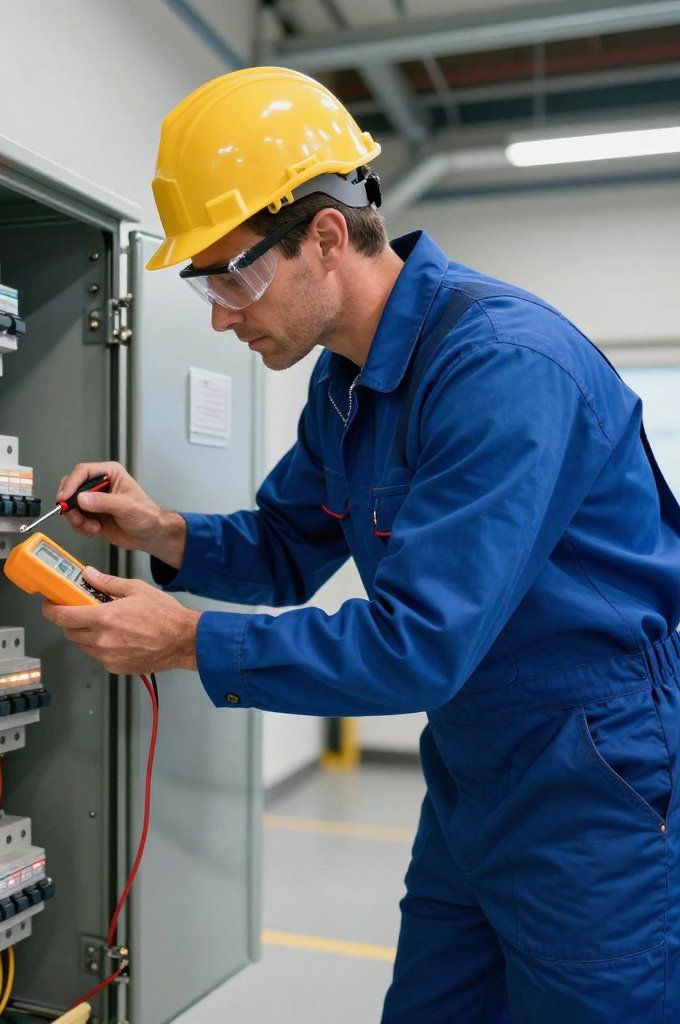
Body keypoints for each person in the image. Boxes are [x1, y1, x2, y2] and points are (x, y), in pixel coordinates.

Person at [42, 67, 680, 1023]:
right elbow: (289, 546)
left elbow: (419, 643)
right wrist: (160, 529)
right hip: (474, 771)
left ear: (327, 236)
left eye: (234, 273)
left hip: (593, 772)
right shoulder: (344, 382)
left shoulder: (501, 367)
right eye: (205, 280)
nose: (221, 313)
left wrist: (185, 641)